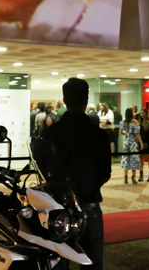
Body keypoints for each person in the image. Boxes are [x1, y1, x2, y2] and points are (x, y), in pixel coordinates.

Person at [41, 78, 111, 270]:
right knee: (92, 263)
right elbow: (106, 172)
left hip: (57, 210)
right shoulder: (97, 134)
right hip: (89, 206)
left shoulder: (50, 134)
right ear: (86, 100)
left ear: (64, 100)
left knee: (57, 263)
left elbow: (42, 170)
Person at [120, 107, 142, 183]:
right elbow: (137, 134)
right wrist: (141, 143)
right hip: (133, 142)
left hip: (126, 142)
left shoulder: (123, 122)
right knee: (134, 158)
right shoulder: (135, 122)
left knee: (126, 158)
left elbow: (120, 132)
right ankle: (133, 177)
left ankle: (125, 177)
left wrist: (126, 134)